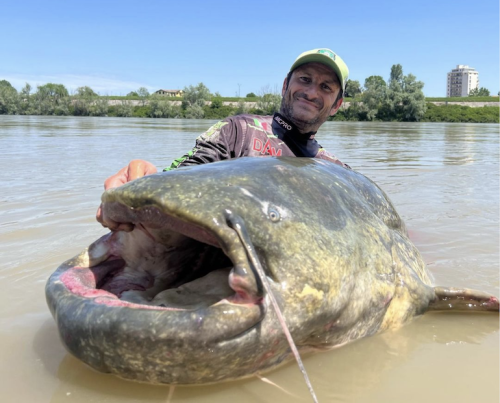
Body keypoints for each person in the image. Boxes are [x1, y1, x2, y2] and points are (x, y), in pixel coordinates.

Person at [97, 48, 350, 231]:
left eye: (326, 87)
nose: (311, 92)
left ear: (337, 104)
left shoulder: (339, 173)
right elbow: (185, 175)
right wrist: (146, 181)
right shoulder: (237, 130)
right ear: (285, 85)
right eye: (304, 79)